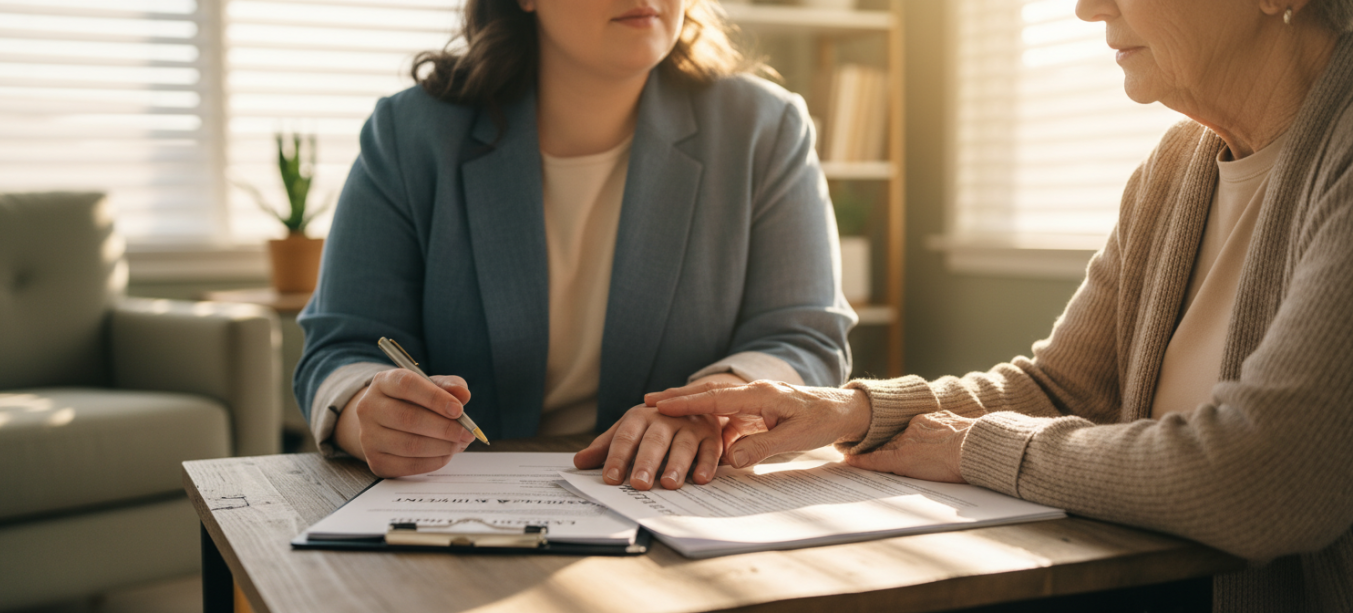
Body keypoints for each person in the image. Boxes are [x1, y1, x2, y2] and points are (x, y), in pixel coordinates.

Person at [646, 0, 1353, 609]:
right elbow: (1060, 389)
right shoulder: (1176, 167)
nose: (1088, 8)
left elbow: (1268, 478)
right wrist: (854, 411)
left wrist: (976, 447)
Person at [294, 0, 855, 486]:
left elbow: (804, 339)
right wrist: (367, 412)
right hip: (458, 500)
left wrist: (713, 403)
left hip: (676, 495)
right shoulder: (410, 134)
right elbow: (343, 347)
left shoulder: (764, 127)